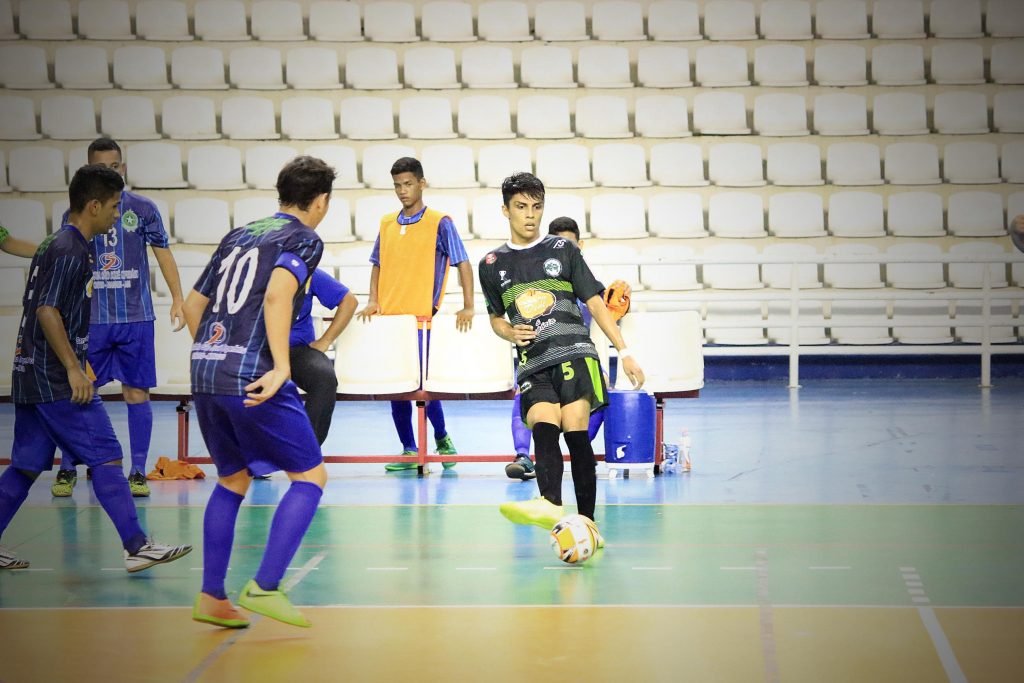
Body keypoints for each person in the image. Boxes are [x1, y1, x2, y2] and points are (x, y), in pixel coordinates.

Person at [0, 164, 192, 571]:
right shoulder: (70, 249)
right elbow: (48, 311)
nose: (115, 215)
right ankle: (137, 546)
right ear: (92, 206)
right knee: (105, 455)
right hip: (55, 380)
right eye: (113, 206)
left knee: (27, 464)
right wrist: (73, 368)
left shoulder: (56, 244)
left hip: (29, 373)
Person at [184, 155, 335, 629]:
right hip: (253, 375)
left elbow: (192, 305)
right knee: (310, 479)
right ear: (321, 201)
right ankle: (265, 587)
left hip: (206, 371)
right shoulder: (304, 238)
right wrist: (282, 368)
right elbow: (277, 296)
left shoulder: (240, 234)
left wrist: (216, 359)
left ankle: (212, 598)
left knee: (232, 480)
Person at [478, 172, 645, 541]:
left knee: (575, 431)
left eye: (537, 207)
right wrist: (508, 331)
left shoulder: (563, 251)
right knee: (542, 421)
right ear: (505, 210)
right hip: (533, 360)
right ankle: (550, 503)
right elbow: (494, 317)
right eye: (521, 207)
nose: (530, 215)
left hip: (574, 350)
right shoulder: (491, 264)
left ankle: (589, 526)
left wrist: (625, 351)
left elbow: (596, 304)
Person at [52, 137, 186, 498]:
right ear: (87, 170)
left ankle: (138, 471)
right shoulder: (73, 215)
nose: (108, 173)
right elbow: (66, 264)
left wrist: (177, 298)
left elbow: (162, 252)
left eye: (113, 167)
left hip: (136, 318)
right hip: (91, 320)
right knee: (80, 390)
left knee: (137, 393)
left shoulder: (142, 209)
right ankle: (67, 468)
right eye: (100, 167)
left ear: (122, 168)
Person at [355, 157, 475, 472]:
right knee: (397, 389)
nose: (402, 191)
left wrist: (468, 304)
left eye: (408, 184)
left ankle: (442, 437)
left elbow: (462, 262)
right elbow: (377, 263)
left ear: (422, 183)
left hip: (422, 320)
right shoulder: (386, 223)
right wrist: (372, 300)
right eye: (397, 185)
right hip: (390, 322)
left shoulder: (440, 222)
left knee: (423, 388)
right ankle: (409, 449)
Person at [504, 217, 631, 481]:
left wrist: (621, 309)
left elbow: (605, 315)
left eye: (568, 245)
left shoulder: (588, 284)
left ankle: (575, 455)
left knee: (599, 391)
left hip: (581, 364)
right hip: (543, 365)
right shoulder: (535, 286)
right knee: (524, 390)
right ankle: (523, 456)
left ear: (580, 246)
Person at [249, 268, 357, 478]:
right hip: (261, 350)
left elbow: (349, 301)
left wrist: (325, 341)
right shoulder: (253, 272)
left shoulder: (306, 271)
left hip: (297, 350)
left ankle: (304, 453)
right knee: (250, 382)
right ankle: (259, 457)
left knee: (324, 379)